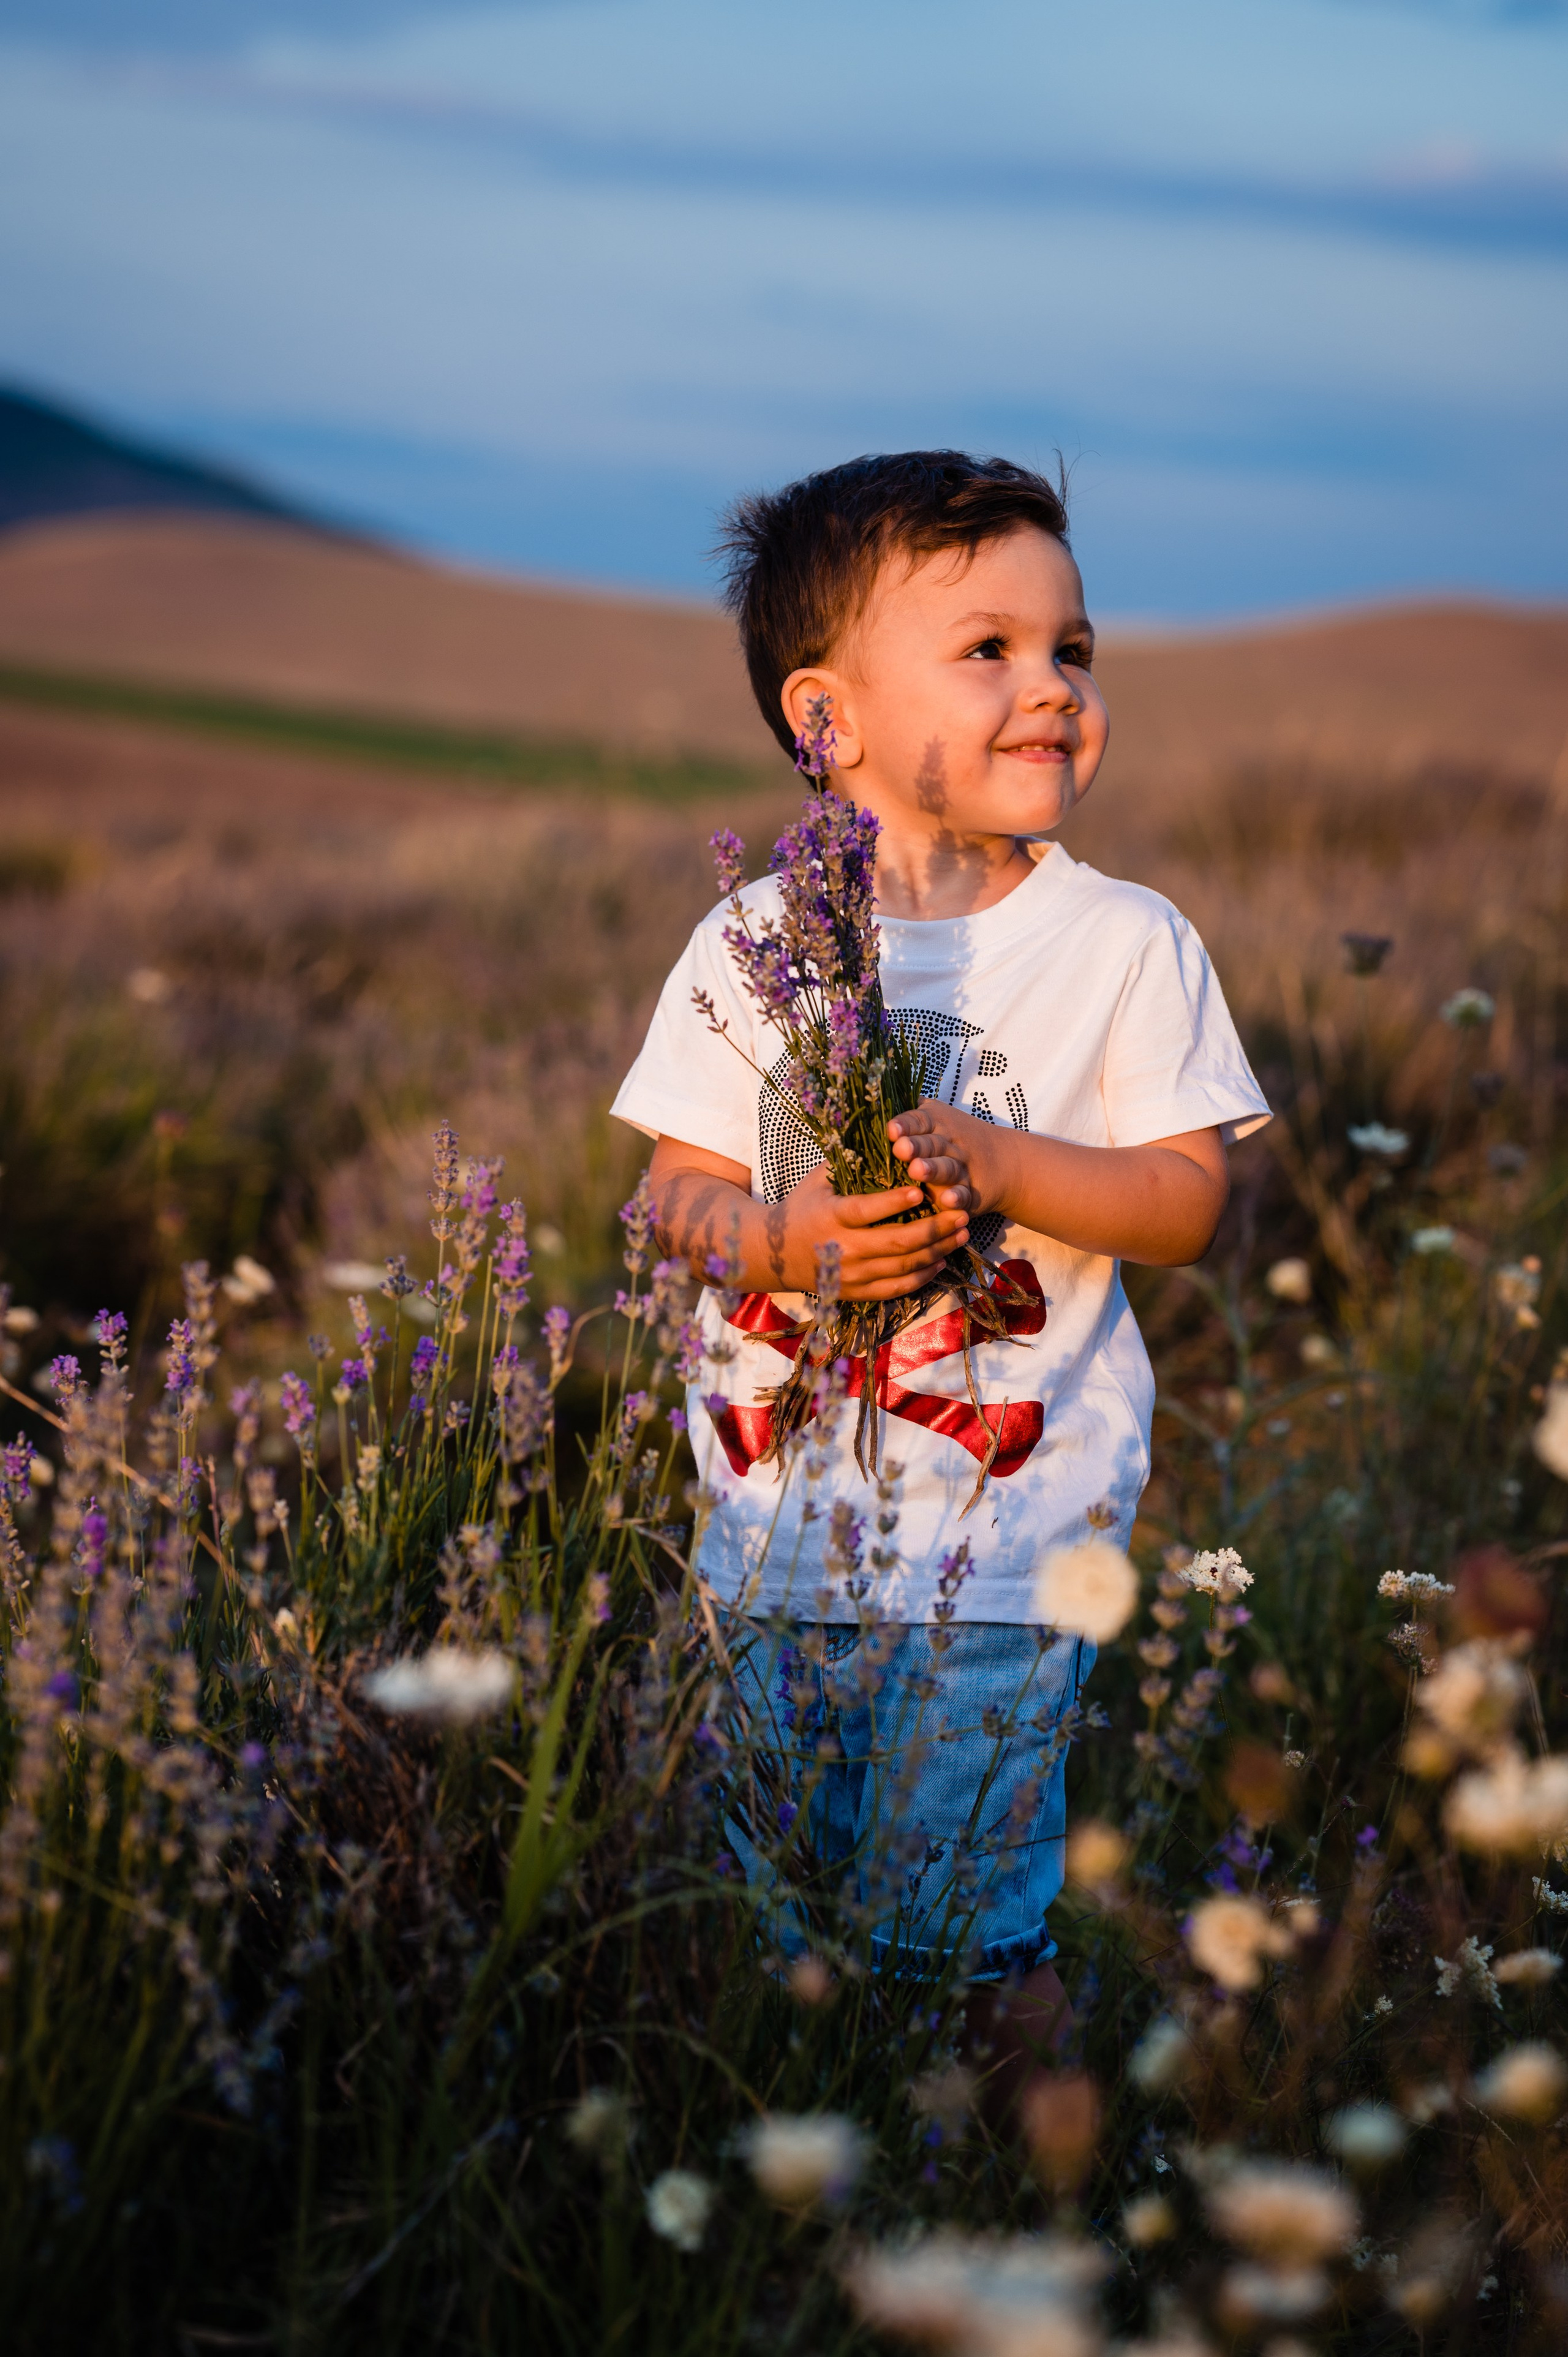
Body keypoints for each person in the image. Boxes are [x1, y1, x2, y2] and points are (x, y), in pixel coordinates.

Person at [610, 451, 1269, 2092]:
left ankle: (1010, 2197)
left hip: (1008, 1544)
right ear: (827, 720)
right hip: (766, 1534)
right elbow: (668, 1198)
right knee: (761, 1911)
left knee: (967, 1923)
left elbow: (1188, 1204)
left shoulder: (1125, 943)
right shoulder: (747, 942)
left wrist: (1002, 1162)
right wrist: (790, 1241)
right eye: (990, 650)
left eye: (1075, 649)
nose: (1051, 688)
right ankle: (786, 2178)